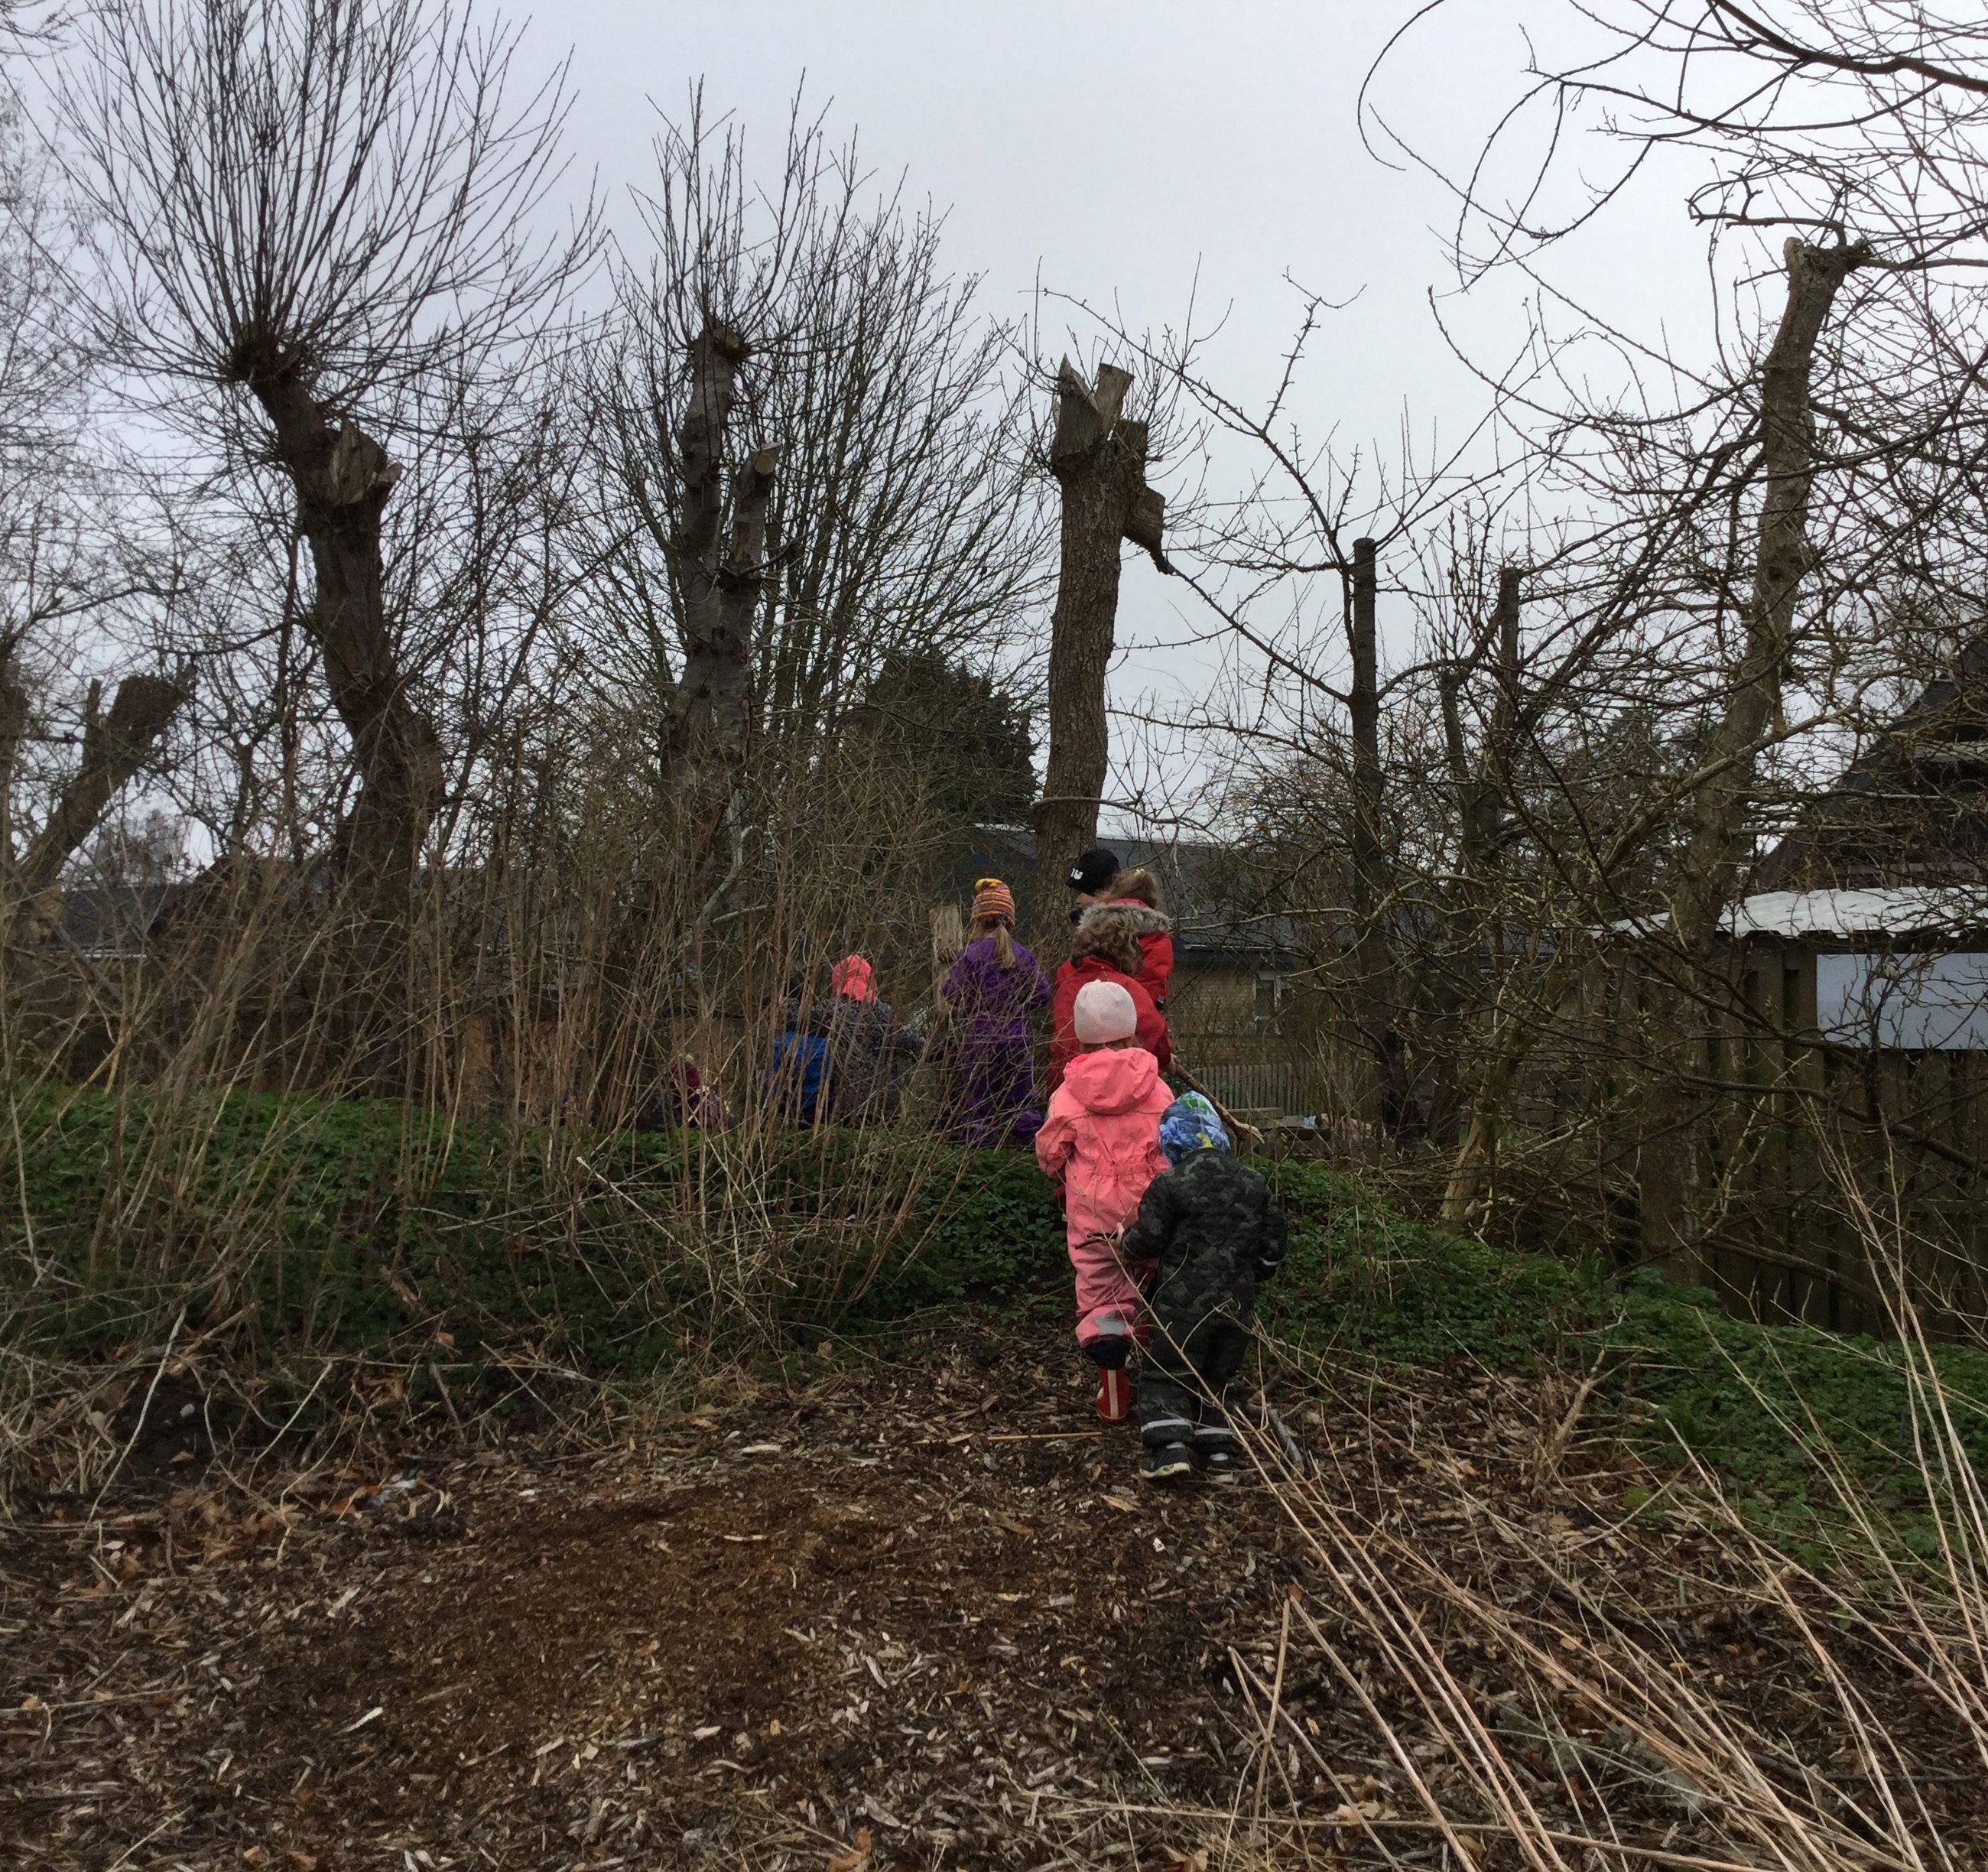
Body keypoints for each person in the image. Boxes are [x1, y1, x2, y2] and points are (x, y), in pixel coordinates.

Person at [1119, 1093, 1289, 1483]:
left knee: (1169, 1370)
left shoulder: (1171, 1184)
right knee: (1219, 1374)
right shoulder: (1254, 1182)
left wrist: (1124, 1243)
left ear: (1172, 1141)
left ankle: (1170, 1449)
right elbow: (1275, 1238)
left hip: (1182, 1302)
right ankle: (1219, 1455)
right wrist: (1260, 1271)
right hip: (1237, 1304)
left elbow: (1147, 1240)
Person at [1034, 980, 1174, 1422]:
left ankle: (1113, 1392)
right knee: (1161, 1273)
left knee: (1102, 1296)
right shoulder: (1157, 1088)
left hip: (1095, 1215)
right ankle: (1159, 1347)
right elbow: (1173, 1146)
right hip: (1152, 1207)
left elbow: (1049, 1153)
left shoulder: (1069, 1092)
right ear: (1130, 1028)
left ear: (1080, 1033)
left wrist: (1066, 1170)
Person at [940, 878, 1051, 1147]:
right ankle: (1031, 1153)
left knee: (979, 1101)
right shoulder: (1022, 955)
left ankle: (979, 1157)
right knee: (1022, 1099)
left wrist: (974, 1003)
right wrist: (1020, 1007)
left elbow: (950, 992)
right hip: (1017, 1039)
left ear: (977, 921)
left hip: (980, 1039)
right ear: (1010, 922)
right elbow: (1043, 994)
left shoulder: (971, 955)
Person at [1048, 915, 1171, 1095]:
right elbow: (1155, 1032)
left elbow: (1061, 1041)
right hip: (1121, 1087)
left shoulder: (1067, 987)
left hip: (1069, 1084)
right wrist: (1165, 1058)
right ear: (1126, 951)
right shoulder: (1126, 987)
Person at [823, 953, 923, 1125]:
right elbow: (908, 1042)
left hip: (846, 1104)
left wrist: (781, 1005)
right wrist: (931, 1045)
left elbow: (801, 1019)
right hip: (885, 1105)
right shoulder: (883, 1013)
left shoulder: (833, 1012)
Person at [1078, 868, 1174, 1012]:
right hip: (1130, 1024)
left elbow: (1069, 975)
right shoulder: (1158, 940)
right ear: (1151, 902)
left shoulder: (1093, 930)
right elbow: (1151, 990)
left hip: (1081, 1016)